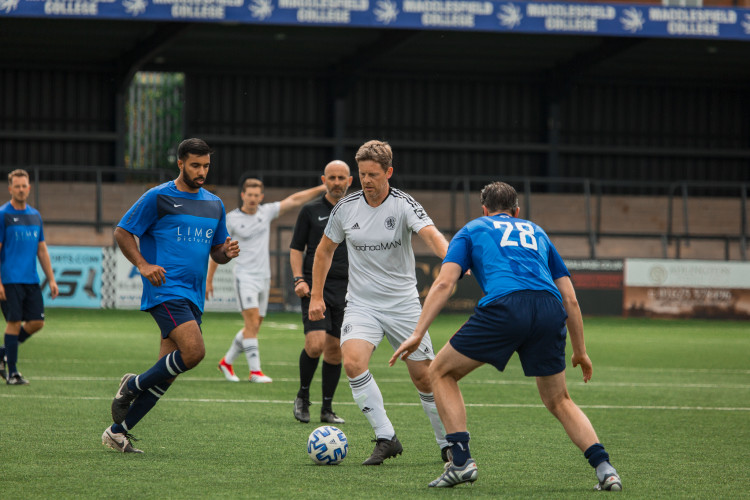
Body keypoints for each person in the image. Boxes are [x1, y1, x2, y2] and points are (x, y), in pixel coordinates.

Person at [390, 181, 622, 491]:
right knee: (559, 399)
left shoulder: (473, 229)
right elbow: (570, 299)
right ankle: (605, 469)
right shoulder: (537, 233)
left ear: (484, 209)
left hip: (506, 306)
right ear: (517, 211)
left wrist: (418, 333)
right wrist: (580, 351)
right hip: (549, 309)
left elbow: (444, 284)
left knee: (441, 372)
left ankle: (460, 461)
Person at [309, 139, 452, 466]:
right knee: (353, 363)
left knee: (424, 378)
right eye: (361, 174)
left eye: (373, 174)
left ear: (388, 172)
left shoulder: (404, 204)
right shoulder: (345, 208)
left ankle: (447, 443)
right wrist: (316, 295)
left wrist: (452, 257)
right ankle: (386, 436)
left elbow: (430, 234)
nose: (366, 180)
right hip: (361, 305)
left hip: (403, 305)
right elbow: (324, 251)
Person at [103, 138, 239, 453]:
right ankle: (131, 385)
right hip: (166, 289)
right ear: (180, 163)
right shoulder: (158, 197)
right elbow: (123, 231)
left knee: (166, 374)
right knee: (194, 352)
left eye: (206, 165)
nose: (201, 171)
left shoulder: (214, 204)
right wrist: (143, 264)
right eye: (195, 165)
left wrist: (226, 252)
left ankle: (116, 432)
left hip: (192, 296)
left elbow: (216, 253)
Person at [208, 176, 326, 383]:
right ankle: (255, 372)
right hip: (244, 277)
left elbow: (295, 200)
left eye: (256, 195)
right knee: (252, 322)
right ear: (243, 195)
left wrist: (322, 187)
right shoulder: (231, 219)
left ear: (261, 197)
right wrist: (209, 280)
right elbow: (219, 251)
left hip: (264, 277)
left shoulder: (266, 212)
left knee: (254, 326)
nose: (253, 198)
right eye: (249, 194)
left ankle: (226, 362)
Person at [289, 160, 352, 424]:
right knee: (315, 344)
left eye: (342, 177)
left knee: (335, 350)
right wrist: (298, 280)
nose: (337, 182)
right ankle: (303, 396)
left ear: (350, 180)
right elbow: (296, 248)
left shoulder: (358, 210)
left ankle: (327, 408)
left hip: (347, 289)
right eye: (332, 177)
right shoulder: (310, 210)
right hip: (316, 286)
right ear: (323, 179)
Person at [0, 169, 59, 385]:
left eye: (24, 185)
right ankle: (13, 373)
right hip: (10, 280)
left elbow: (41, 250)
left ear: (29, 188)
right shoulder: (3, 214)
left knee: (36, 322)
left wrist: (51, 279)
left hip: (32, 280)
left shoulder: (35, 215)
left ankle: (2, 353)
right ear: (10, 189)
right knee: (14, 322)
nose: (21, 189)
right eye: (17, 186)